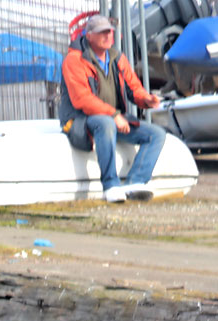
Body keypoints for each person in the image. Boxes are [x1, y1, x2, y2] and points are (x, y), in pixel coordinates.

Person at [59, 14, 166, 203]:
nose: (108, 36)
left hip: (111, 118)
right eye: (102, 32)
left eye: (110, 31)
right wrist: (114, 114)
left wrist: (146, 99)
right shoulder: (74, 60)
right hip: (79, 120)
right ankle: (110, 186)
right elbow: (81, 100)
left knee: (156, 134)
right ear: (89, 36)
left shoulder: (117, 57)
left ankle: (135, 183)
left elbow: (135, 87)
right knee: (106, 123)